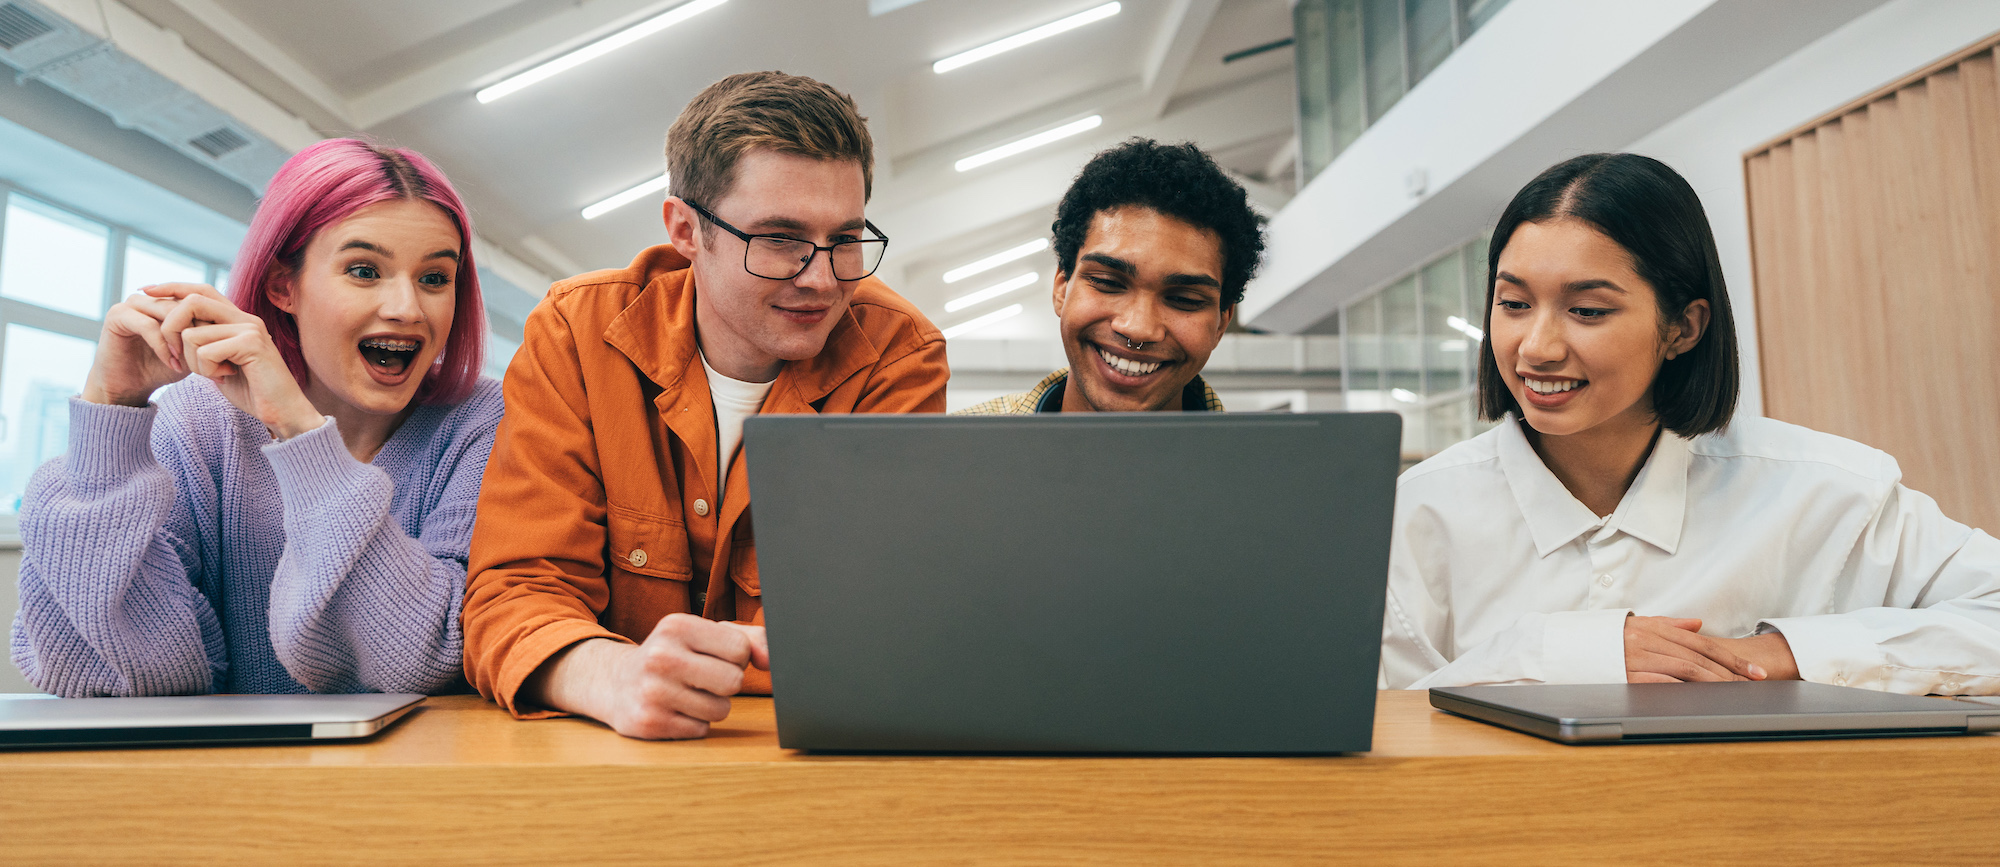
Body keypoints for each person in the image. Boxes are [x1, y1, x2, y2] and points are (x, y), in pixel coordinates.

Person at [1380, 153, 2000, 694]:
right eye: (1513, 304)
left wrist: (1781, 652)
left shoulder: (1826, 491)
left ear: (1684, 327)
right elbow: (1370, 715)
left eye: (1587, 310)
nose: (1535, 347)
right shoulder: (1417, 513)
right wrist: (1563, 655)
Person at [464, 71, 949, 739]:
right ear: (686, 230)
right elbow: (513, 592)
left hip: (805, 761)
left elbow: (879, 626)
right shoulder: (577, 332)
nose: (821, 278)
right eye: (779, 239)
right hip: (606, 761)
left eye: (844, 239)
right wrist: (615, 677)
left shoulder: (900, 354)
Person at [12, 138, 502, 697]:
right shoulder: (201, 423)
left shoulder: (483, 424)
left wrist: (300, 435)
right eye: (364, 271)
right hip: (231, 780)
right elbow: (110, 671)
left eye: (435, 279)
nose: (407, 308)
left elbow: (427, 660)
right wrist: (110, 410)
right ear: (282, 286)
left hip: (419, 776)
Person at [960, 139, 1261, 415]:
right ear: (1062, 288)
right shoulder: (956, 455)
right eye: (1108, 283)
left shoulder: (1267, 473)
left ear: (1221, 323)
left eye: (1183, 300)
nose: (1138, 329)